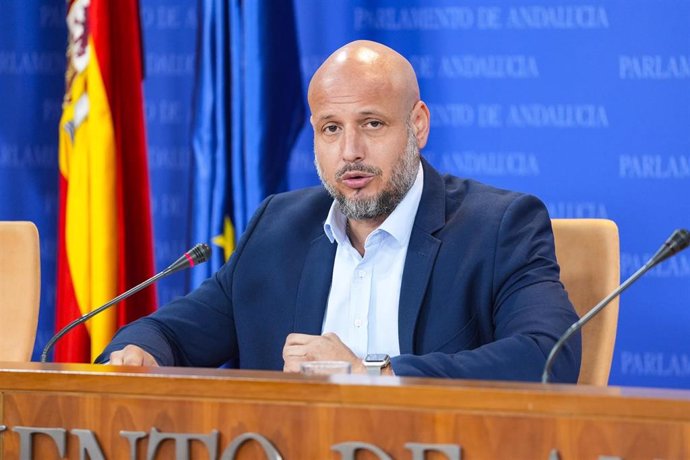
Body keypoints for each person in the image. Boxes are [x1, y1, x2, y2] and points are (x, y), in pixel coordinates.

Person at [98, 40, 581, 382]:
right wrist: (138, 353)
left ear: (417, 125)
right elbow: (169, 334)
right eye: (330, 128)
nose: (350, 151)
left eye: (372, 123)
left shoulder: (499, 227)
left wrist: (373, 373)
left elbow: (547, 355)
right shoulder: (277, 229)